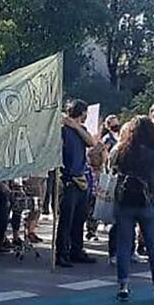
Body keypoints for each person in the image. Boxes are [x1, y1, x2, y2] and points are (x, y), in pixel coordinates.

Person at [110, 116, 154, 303]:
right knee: (153, 244)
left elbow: (112, 166)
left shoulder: (123, 149)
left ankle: (123, 286)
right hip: (148, 200)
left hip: (125, 200)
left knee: (124, 244)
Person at [56, 100, 97, 268]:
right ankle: (62, 253)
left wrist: (75, 126)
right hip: (68, 179)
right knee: (66, 220)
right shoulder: (62, 131)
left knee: (79, 218)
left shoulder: (81, 131)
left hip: (82, 178)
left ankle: (76, 250)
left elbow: (91, 142)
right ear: (82, 113)